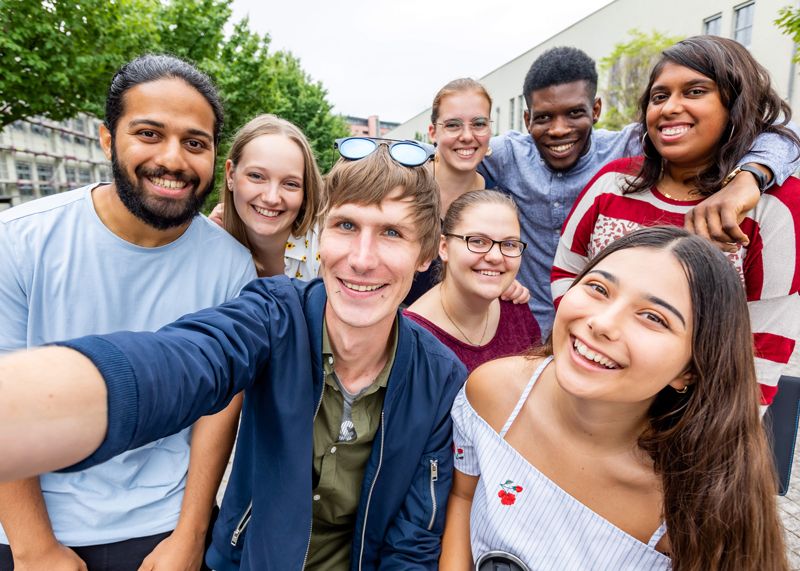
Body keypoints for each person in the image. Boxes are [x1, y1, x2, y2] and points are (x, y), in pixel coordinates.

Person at [0, 143, 468, 570]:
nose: (362, 259)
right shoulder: (274, 313)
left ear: (426, 253)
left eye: (391, 232)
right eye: (346, 225)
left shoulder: (440, 377)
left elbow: (414, 541)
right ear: (321, 236)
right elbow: (190, 360)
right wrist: (40, 402)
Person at [0, 55, 256, 569]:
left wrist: (190, 533)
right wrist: (34, 549)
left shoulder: (230, 266)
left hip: (159, 526)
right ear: (106, 137)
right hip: (29, 527)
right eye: (148, 133)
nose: (174, 159)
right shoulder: (20, 241)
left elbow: (219, 408)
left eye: (195, 142)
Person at [442, 226, 787, 570]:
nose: (602, 323)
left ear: (691, 370)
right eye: (598, 288)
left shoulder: (701, 501)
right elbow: (464, 495)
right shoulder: (492, 392)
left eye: (653, 317)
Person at [552, 35, 800, 407]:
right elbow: (566, 273)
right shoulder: (613, 182)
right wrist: (588, 352)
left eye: (695, 91)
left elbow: (764, 346)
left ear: (736, 104)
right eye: (659, 96)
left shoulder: (772, 206)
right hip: (588, 384)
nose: (670, 107)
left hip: (691, 414)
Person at [480, 45, 800, 333]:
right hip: (537, 323)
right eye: (544, 117)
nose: (559, 129)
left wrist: (752, 175)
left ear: (596, 110)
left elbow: (784, 134)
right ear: (526, 119)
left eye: (574, 113)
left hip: (633, 343)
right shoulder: (509, 154)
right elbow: (451, 151)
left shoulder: (630, 144)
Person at [404, 190, 540, 372]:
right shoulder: (412, 339)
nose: (495, 257)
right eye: (477, 241)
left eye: (509, 244)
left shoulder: (514, 307)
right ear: (444, 248)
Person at [213, 113, 323, 280]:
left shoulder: (325, 249)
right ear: (230, 175)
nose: (272, 198)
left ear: (306, 192)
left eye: (290, 184)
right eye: (256, 176)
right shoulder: (212, 242)